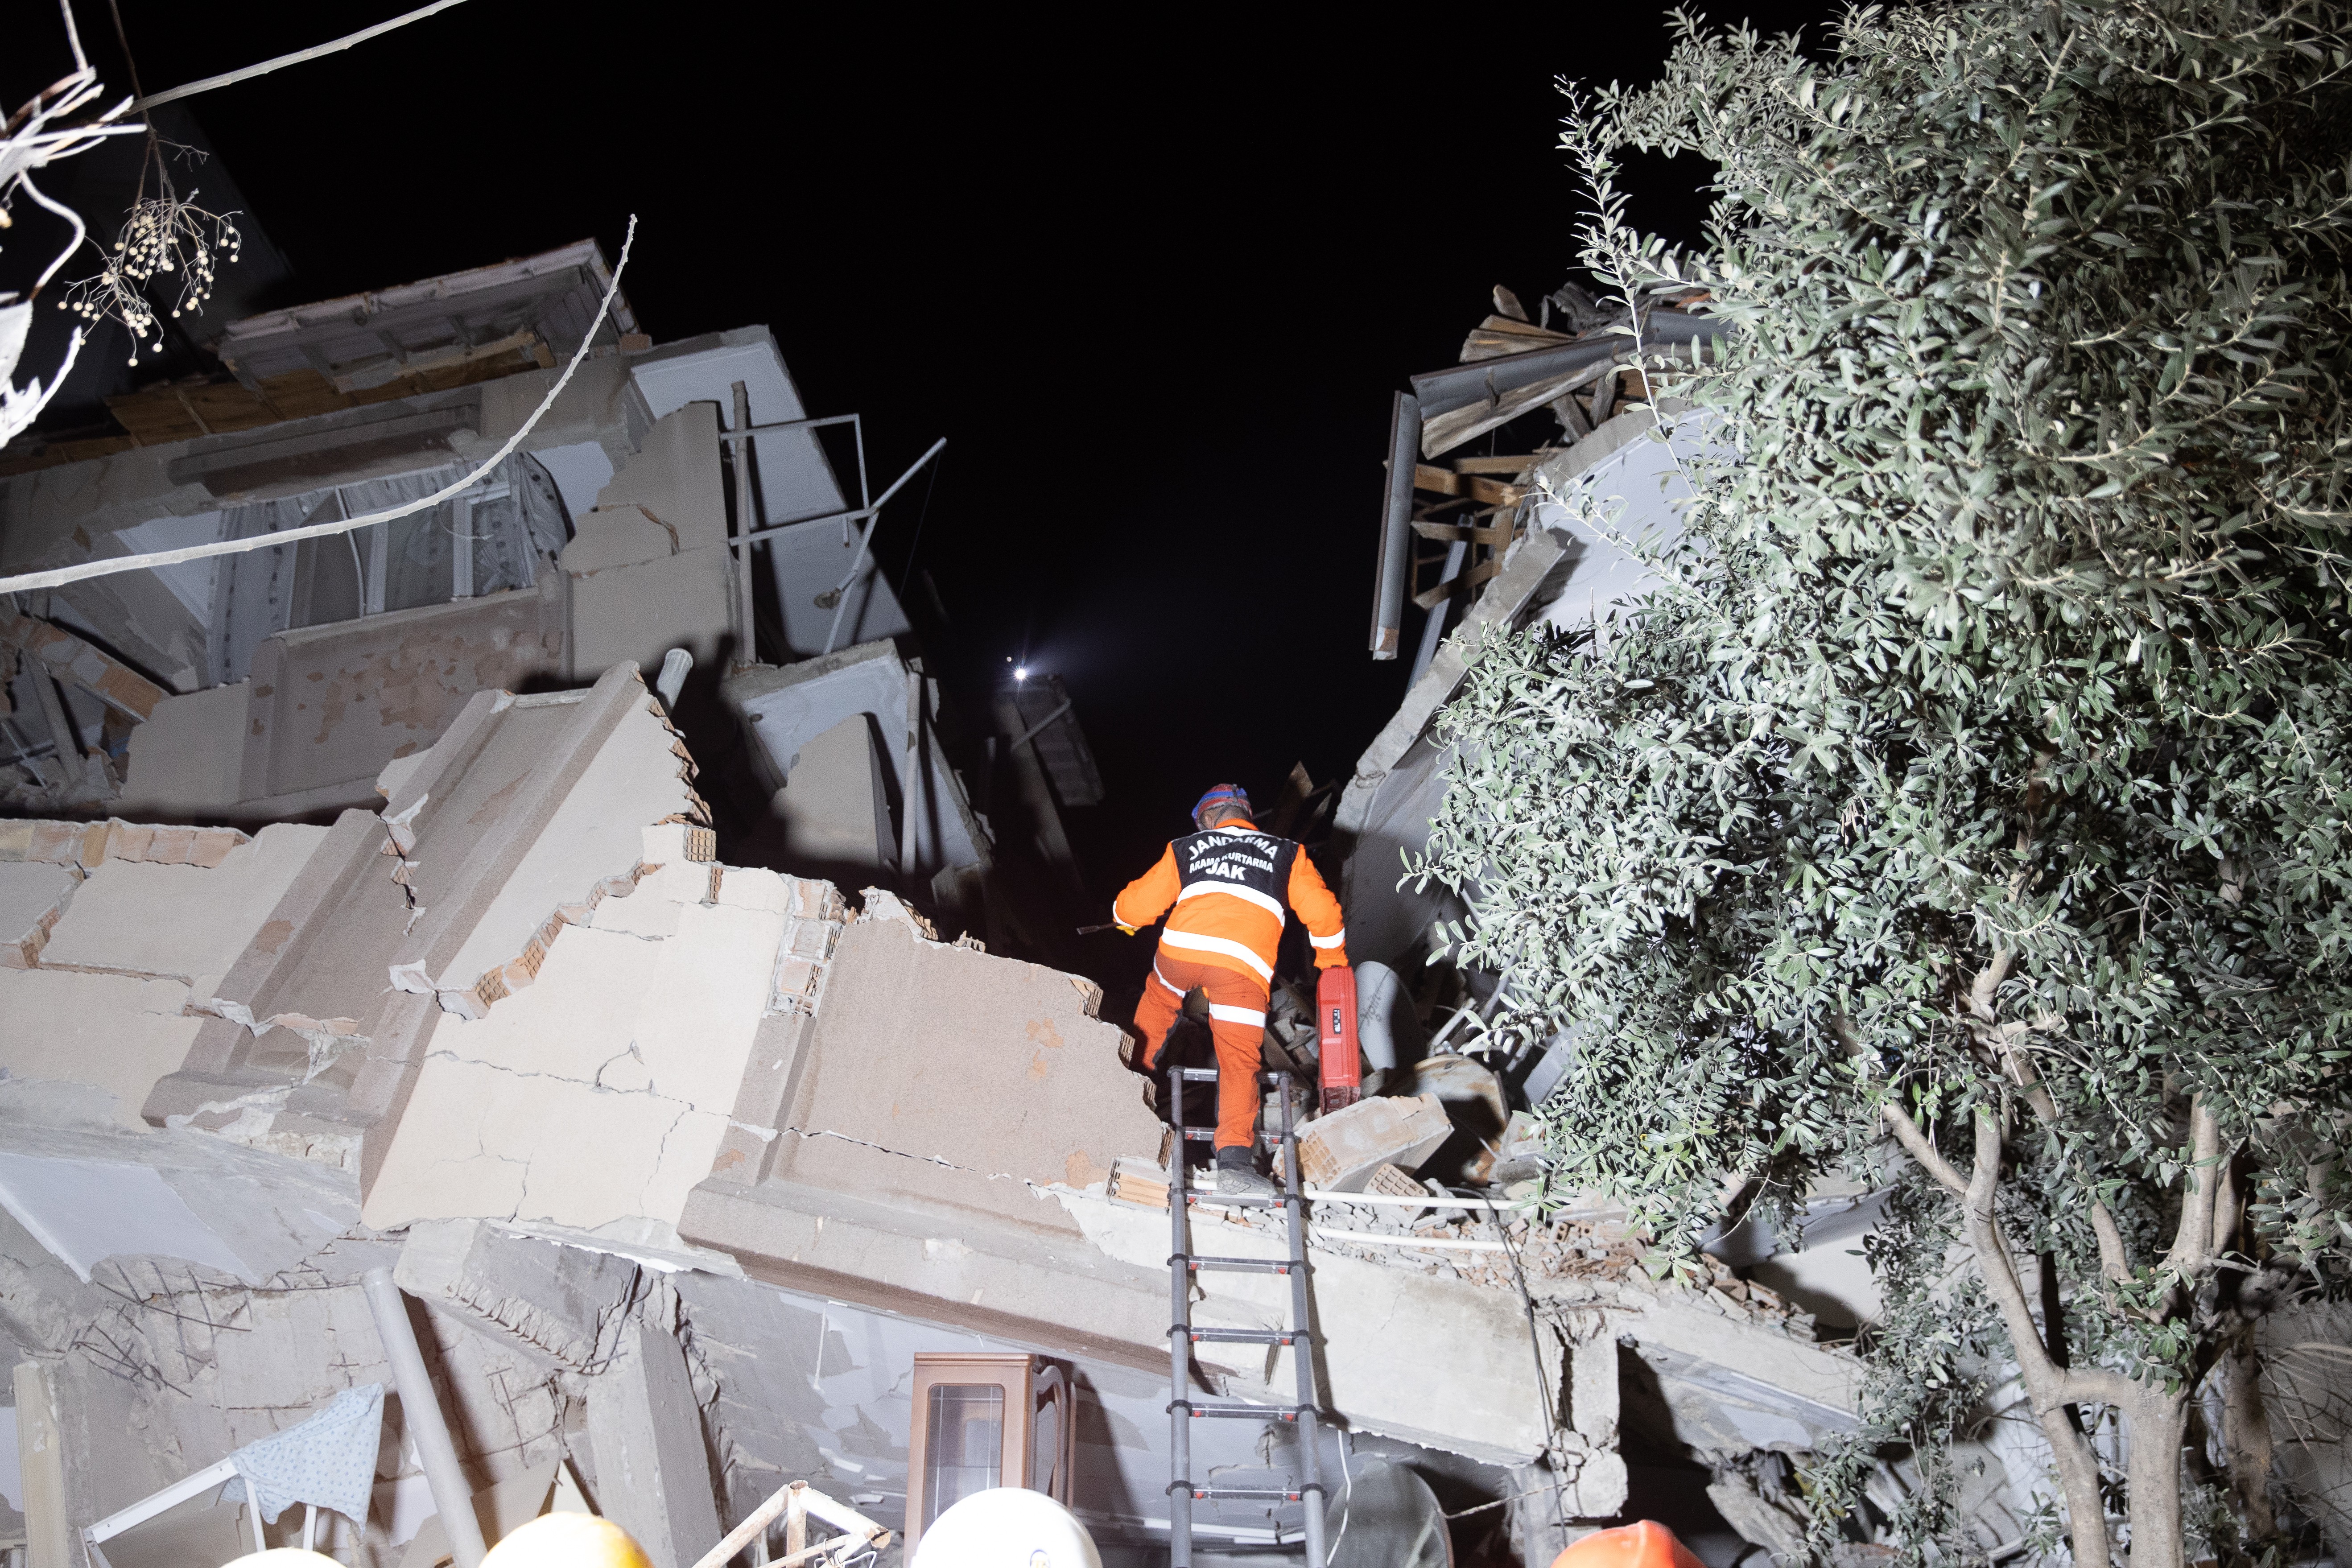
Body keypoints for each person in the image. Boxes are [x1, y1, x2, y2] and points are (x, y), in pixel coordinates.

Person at [1113, 783, 1348, 1197]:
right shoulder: (1288, 853)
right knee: (1239, 1063)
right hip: (1243, 966)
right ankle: (1236, 1165)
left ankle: (1119, 1095)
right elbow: (1324, 915)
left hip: (1181, 951)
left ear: (1207, 819)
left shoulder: (1186, 848)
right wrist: (1332, 964)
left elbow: (1134, 906)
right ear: (1246, 814)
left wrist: (1124, 919)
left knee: (1154, 1013)